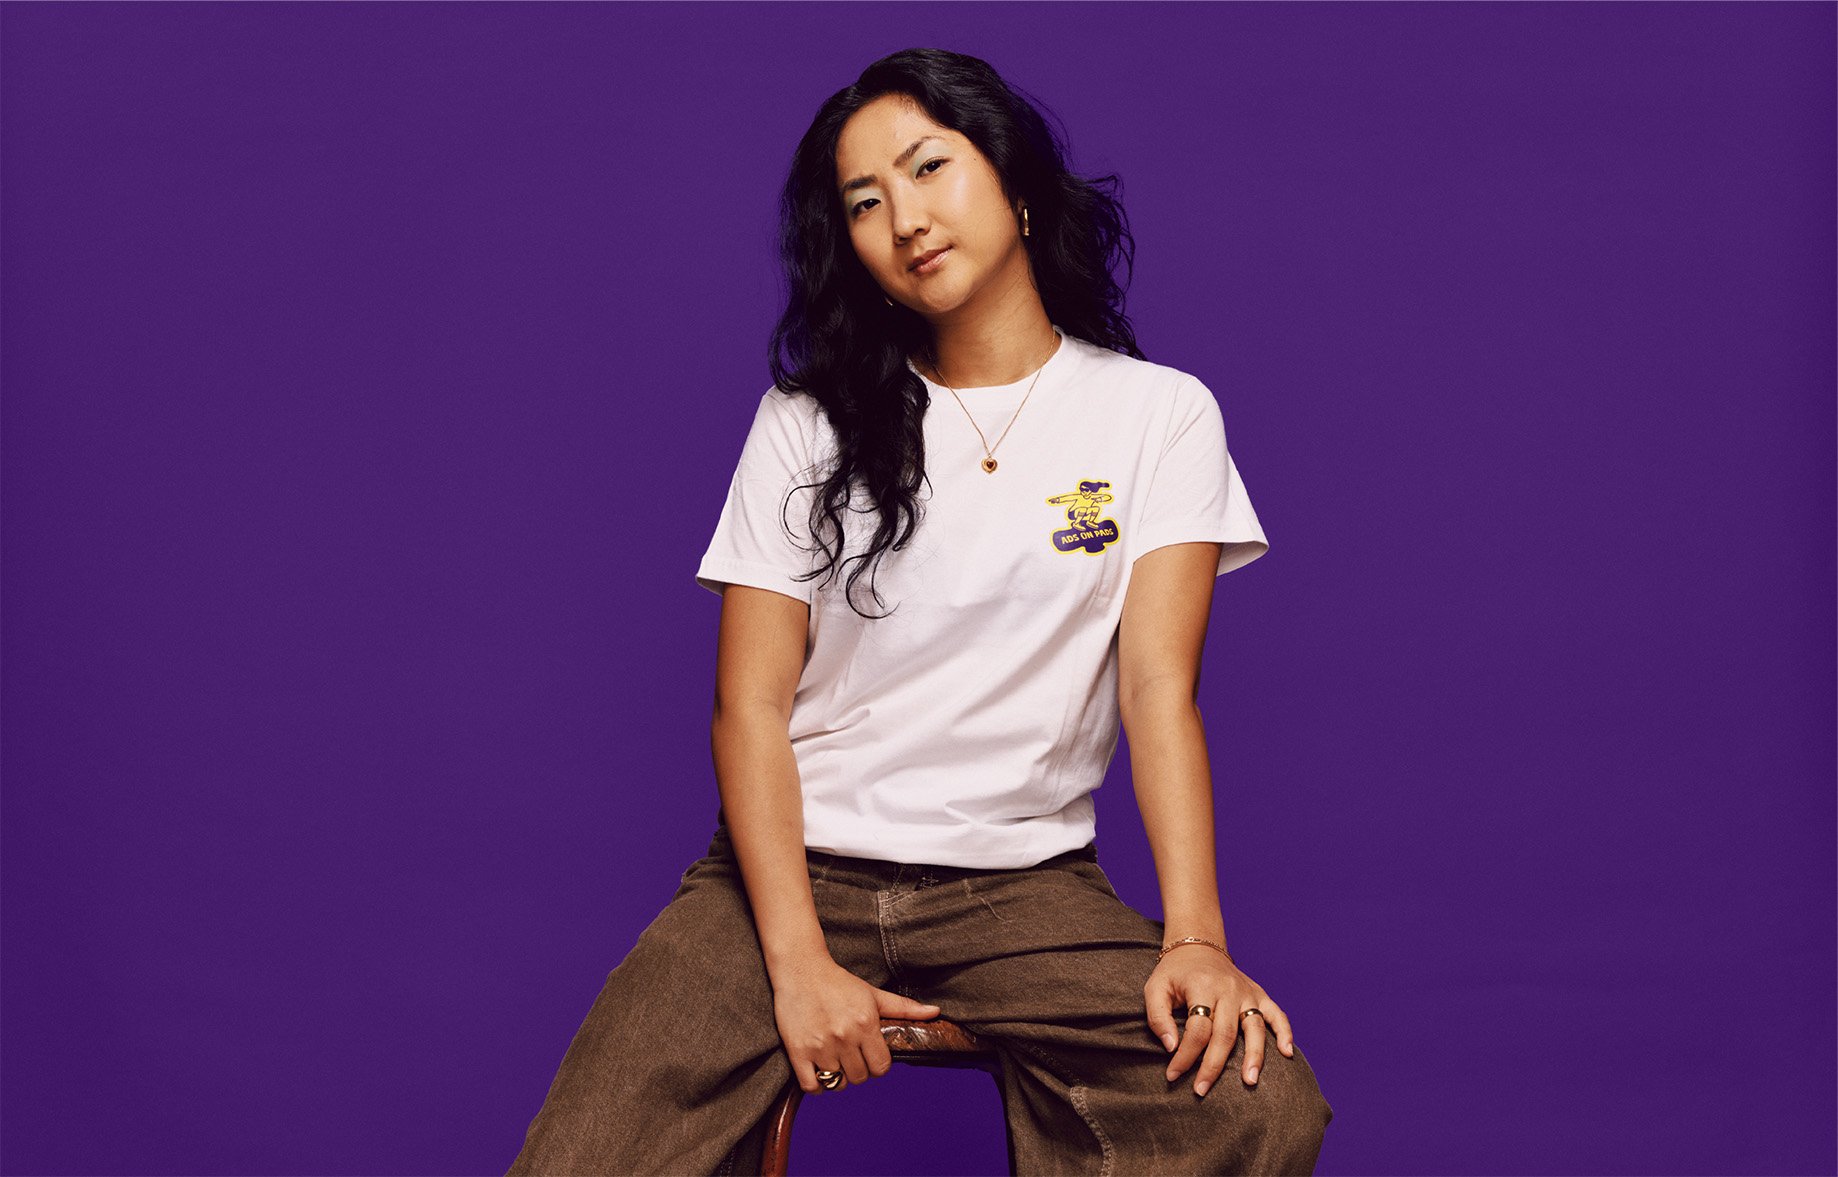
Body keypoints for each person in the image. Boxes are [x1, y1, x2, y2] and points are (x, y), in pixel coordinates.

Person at [507, 47, 1334, 1176]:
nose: (903, 218)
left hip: (1024, 890)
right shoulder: (808, 419)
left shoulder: (1158, 418)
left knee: (1251, 1100)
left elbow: (1156, 691)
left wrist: (1196, 937)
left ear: (1014, 180)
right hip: (786, 878)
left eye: (927, 168)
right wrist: (793, 960)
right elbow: (745, 705)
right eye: (863, 202)